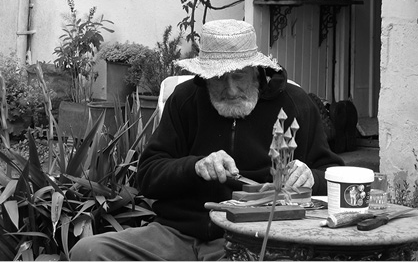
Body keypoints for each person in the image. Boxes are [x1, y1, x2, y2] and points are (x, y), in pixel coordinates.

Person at [70, 19, 344, 261]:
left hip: (252, 239)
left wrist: (310, 176)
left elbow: (332, 176)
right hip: (177, 234)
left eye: (238, 75)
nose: (230, 89)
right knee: (89, 252)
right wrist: (195, 166)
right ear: (203, 74)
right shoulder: (185, 100)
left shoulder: (295, 105)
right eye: (218, 78)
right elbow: (148, 176)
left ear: (256, 69)